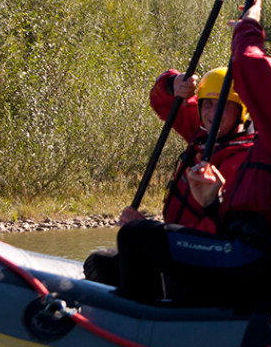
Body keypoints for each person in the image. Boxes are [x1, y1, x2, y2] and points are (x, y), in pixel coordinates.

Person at [104, 0, 271, 308]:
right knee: (115, 256)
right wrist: (215, 203)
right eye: (207, 104)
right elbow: (260, 217)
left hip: (266, 263)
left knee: (137, 237)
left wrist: (249, 26)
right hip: (270, 259)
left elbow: (253, 66)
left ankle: (140, 331)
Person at [83, 66, 255, 285]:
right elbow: (162, 102)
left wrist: (153, 234)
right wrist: (173, 84)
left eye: (224, 106)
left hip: (208, 256)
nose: (213, 113)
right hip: (177, 242)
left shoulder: (247, 160)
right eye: (208, 104)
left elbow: (217, 229)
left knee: (122, 250)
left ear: (242, 111)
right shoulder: (202, 133)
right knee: (99, 263)